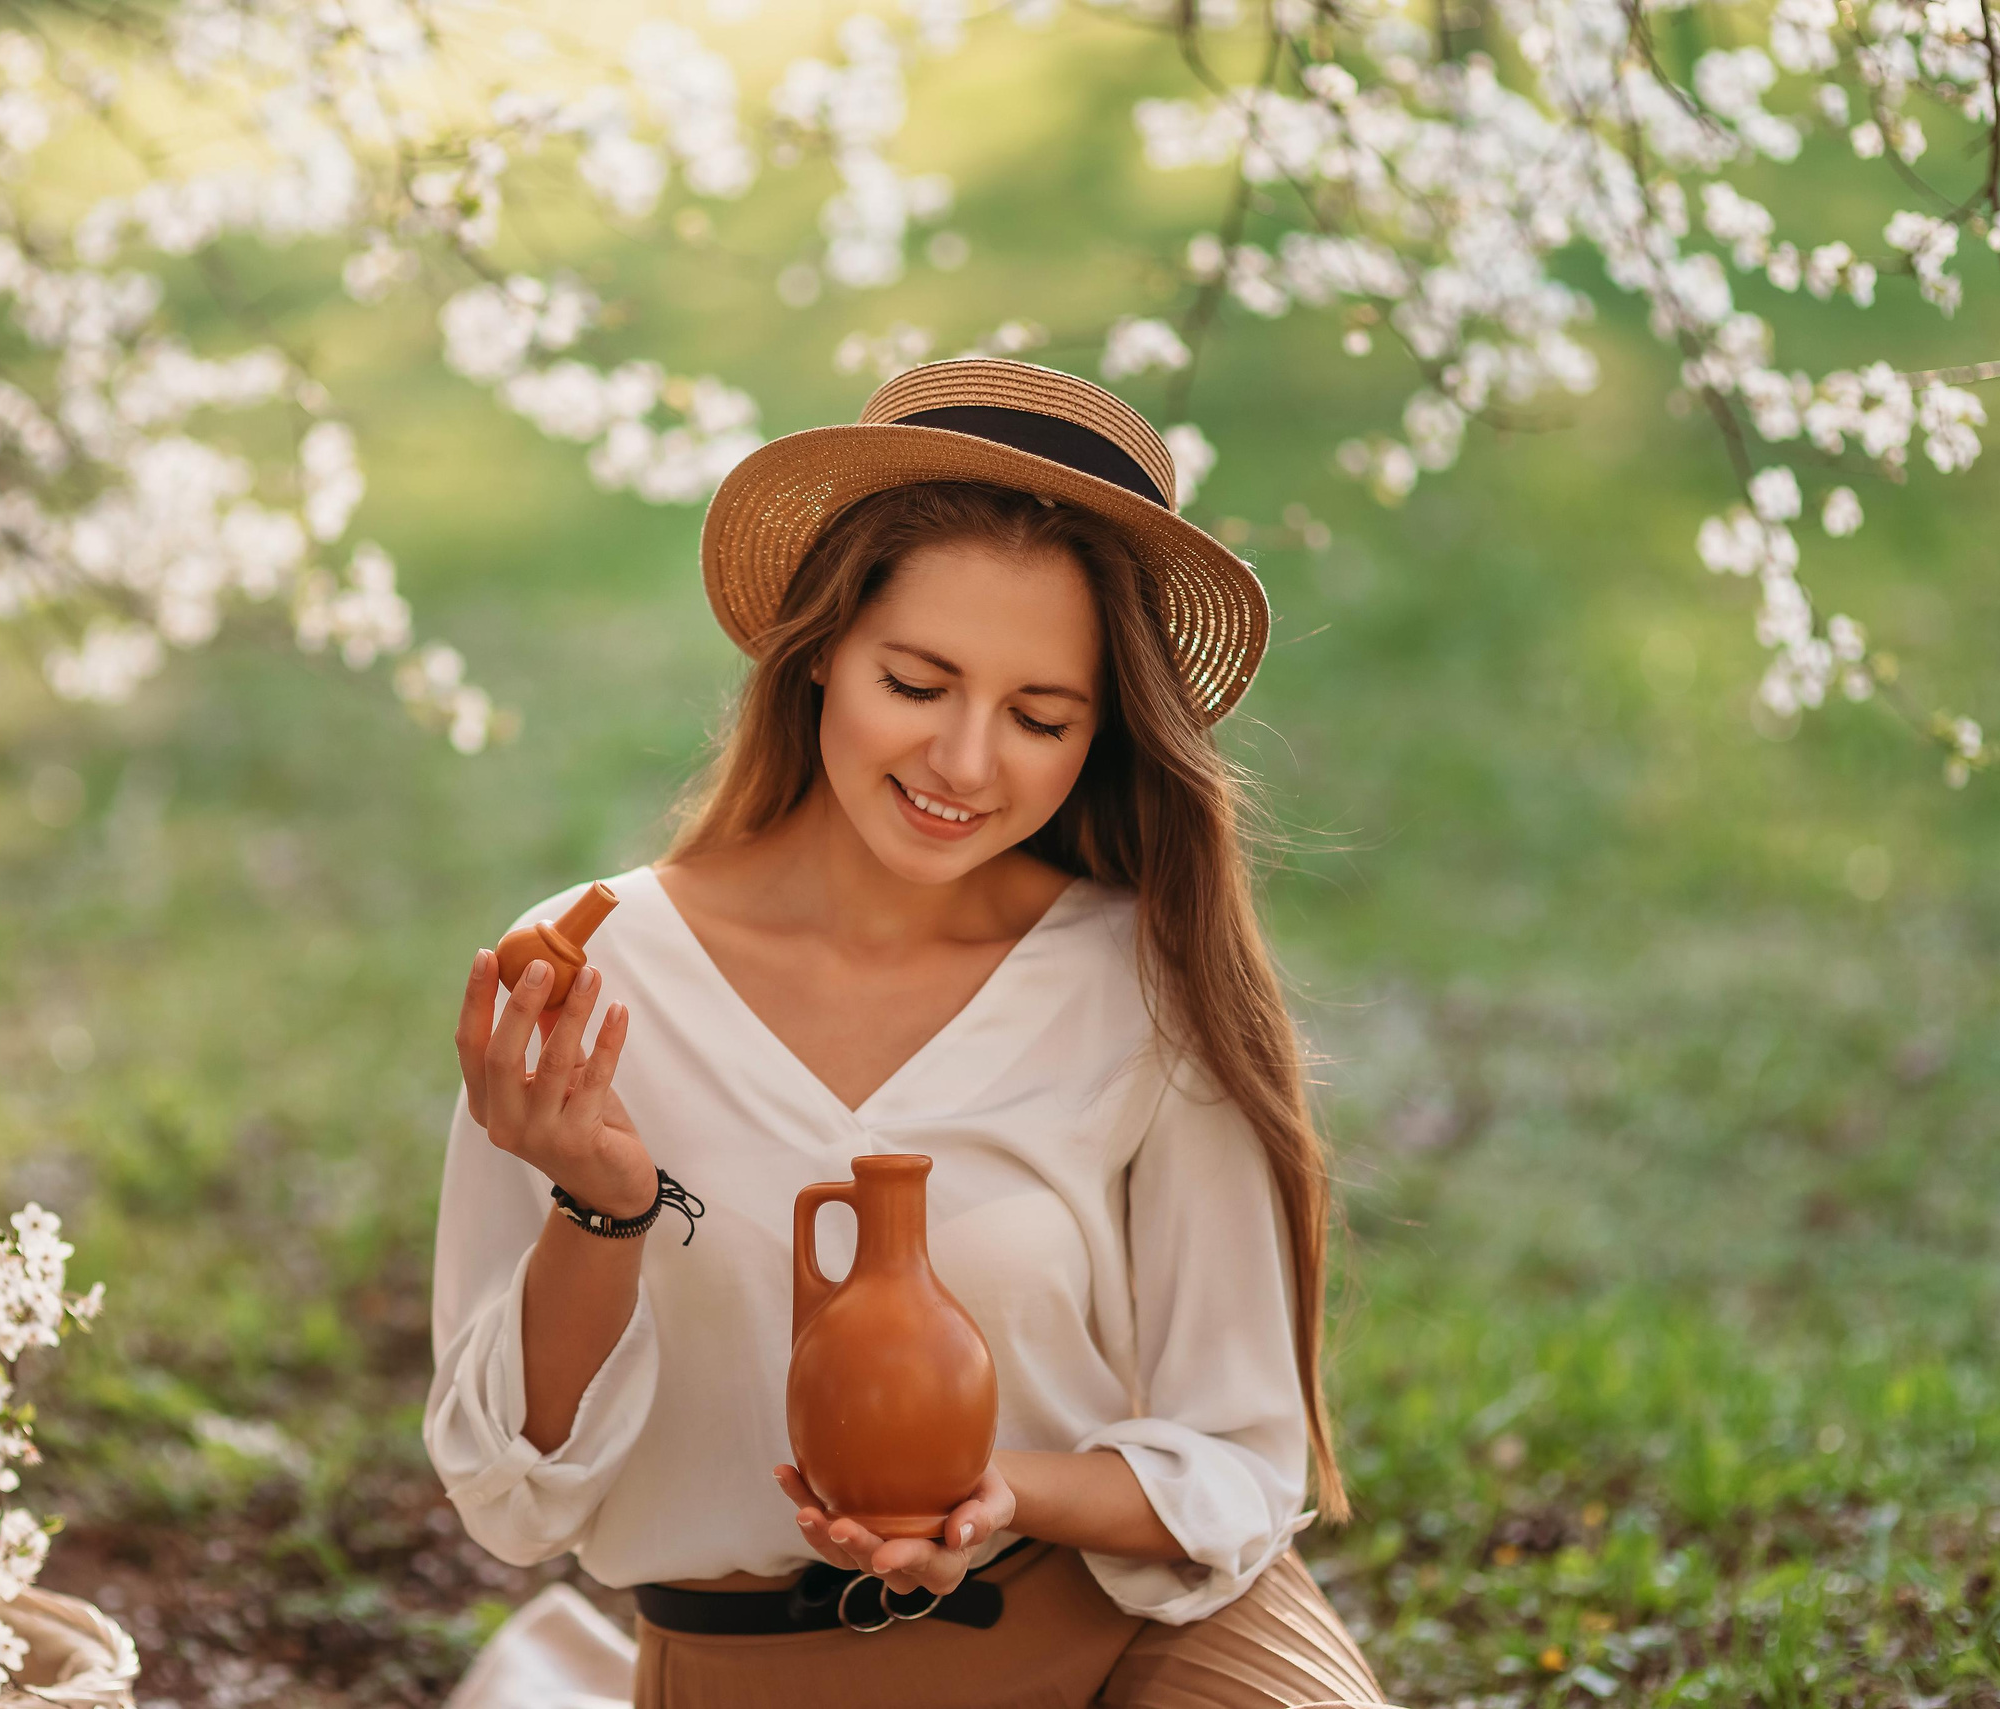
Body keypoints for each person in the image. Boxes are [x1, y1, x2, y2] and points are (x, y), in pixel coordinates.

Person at [425, 358, 1392, 1708]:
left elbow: (1236, 1452)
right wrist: (598, 1211)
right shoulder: (602, 984)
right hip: (759, 1669)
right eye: (919, 682)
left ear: (1104, 733)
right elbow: (510, 1493)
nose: (966, 764)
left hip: (1138, 1636)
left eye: (1041, 717)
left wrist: (1003, 1496)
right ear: (820, 645)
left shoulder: (1145, 980)